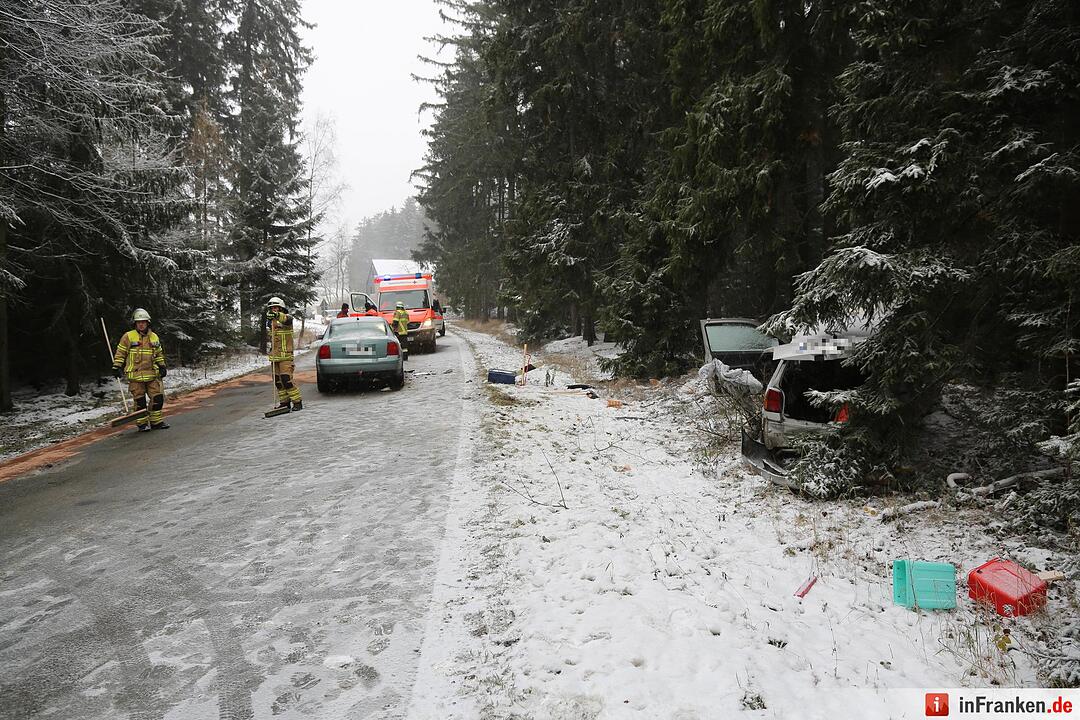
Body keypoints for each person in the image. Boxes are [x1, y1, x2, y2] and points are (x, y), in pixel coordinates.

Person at [112, 308, 169, 431]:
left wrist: (162, 366)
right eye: (138, 322)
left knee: (158, 398)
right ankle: (142, 424)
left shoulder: (154, 337)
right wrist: (116, 366)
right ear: (135, 323)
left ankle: (156, 422)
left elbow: (158, 354)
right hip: (136, 376)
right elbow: (121, 353)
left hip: (152, 375)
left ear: (148, 323)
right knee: (140, 402)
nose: (141, 324)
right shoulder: (128, 336)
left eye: (143, 322)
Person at [266, 297, 302, 411]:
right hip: (275, 357)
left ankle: (297, 402)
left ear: (281, 308)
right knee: (278, 382)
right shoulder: (271, 322)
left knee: (287, 380)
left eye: (275, 307)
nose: (273, 310)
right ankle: (284, 403)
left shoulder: (287, 319)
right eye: (271, 308)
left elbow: (286, 319)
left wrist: (276, 315)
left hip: (286, 357)